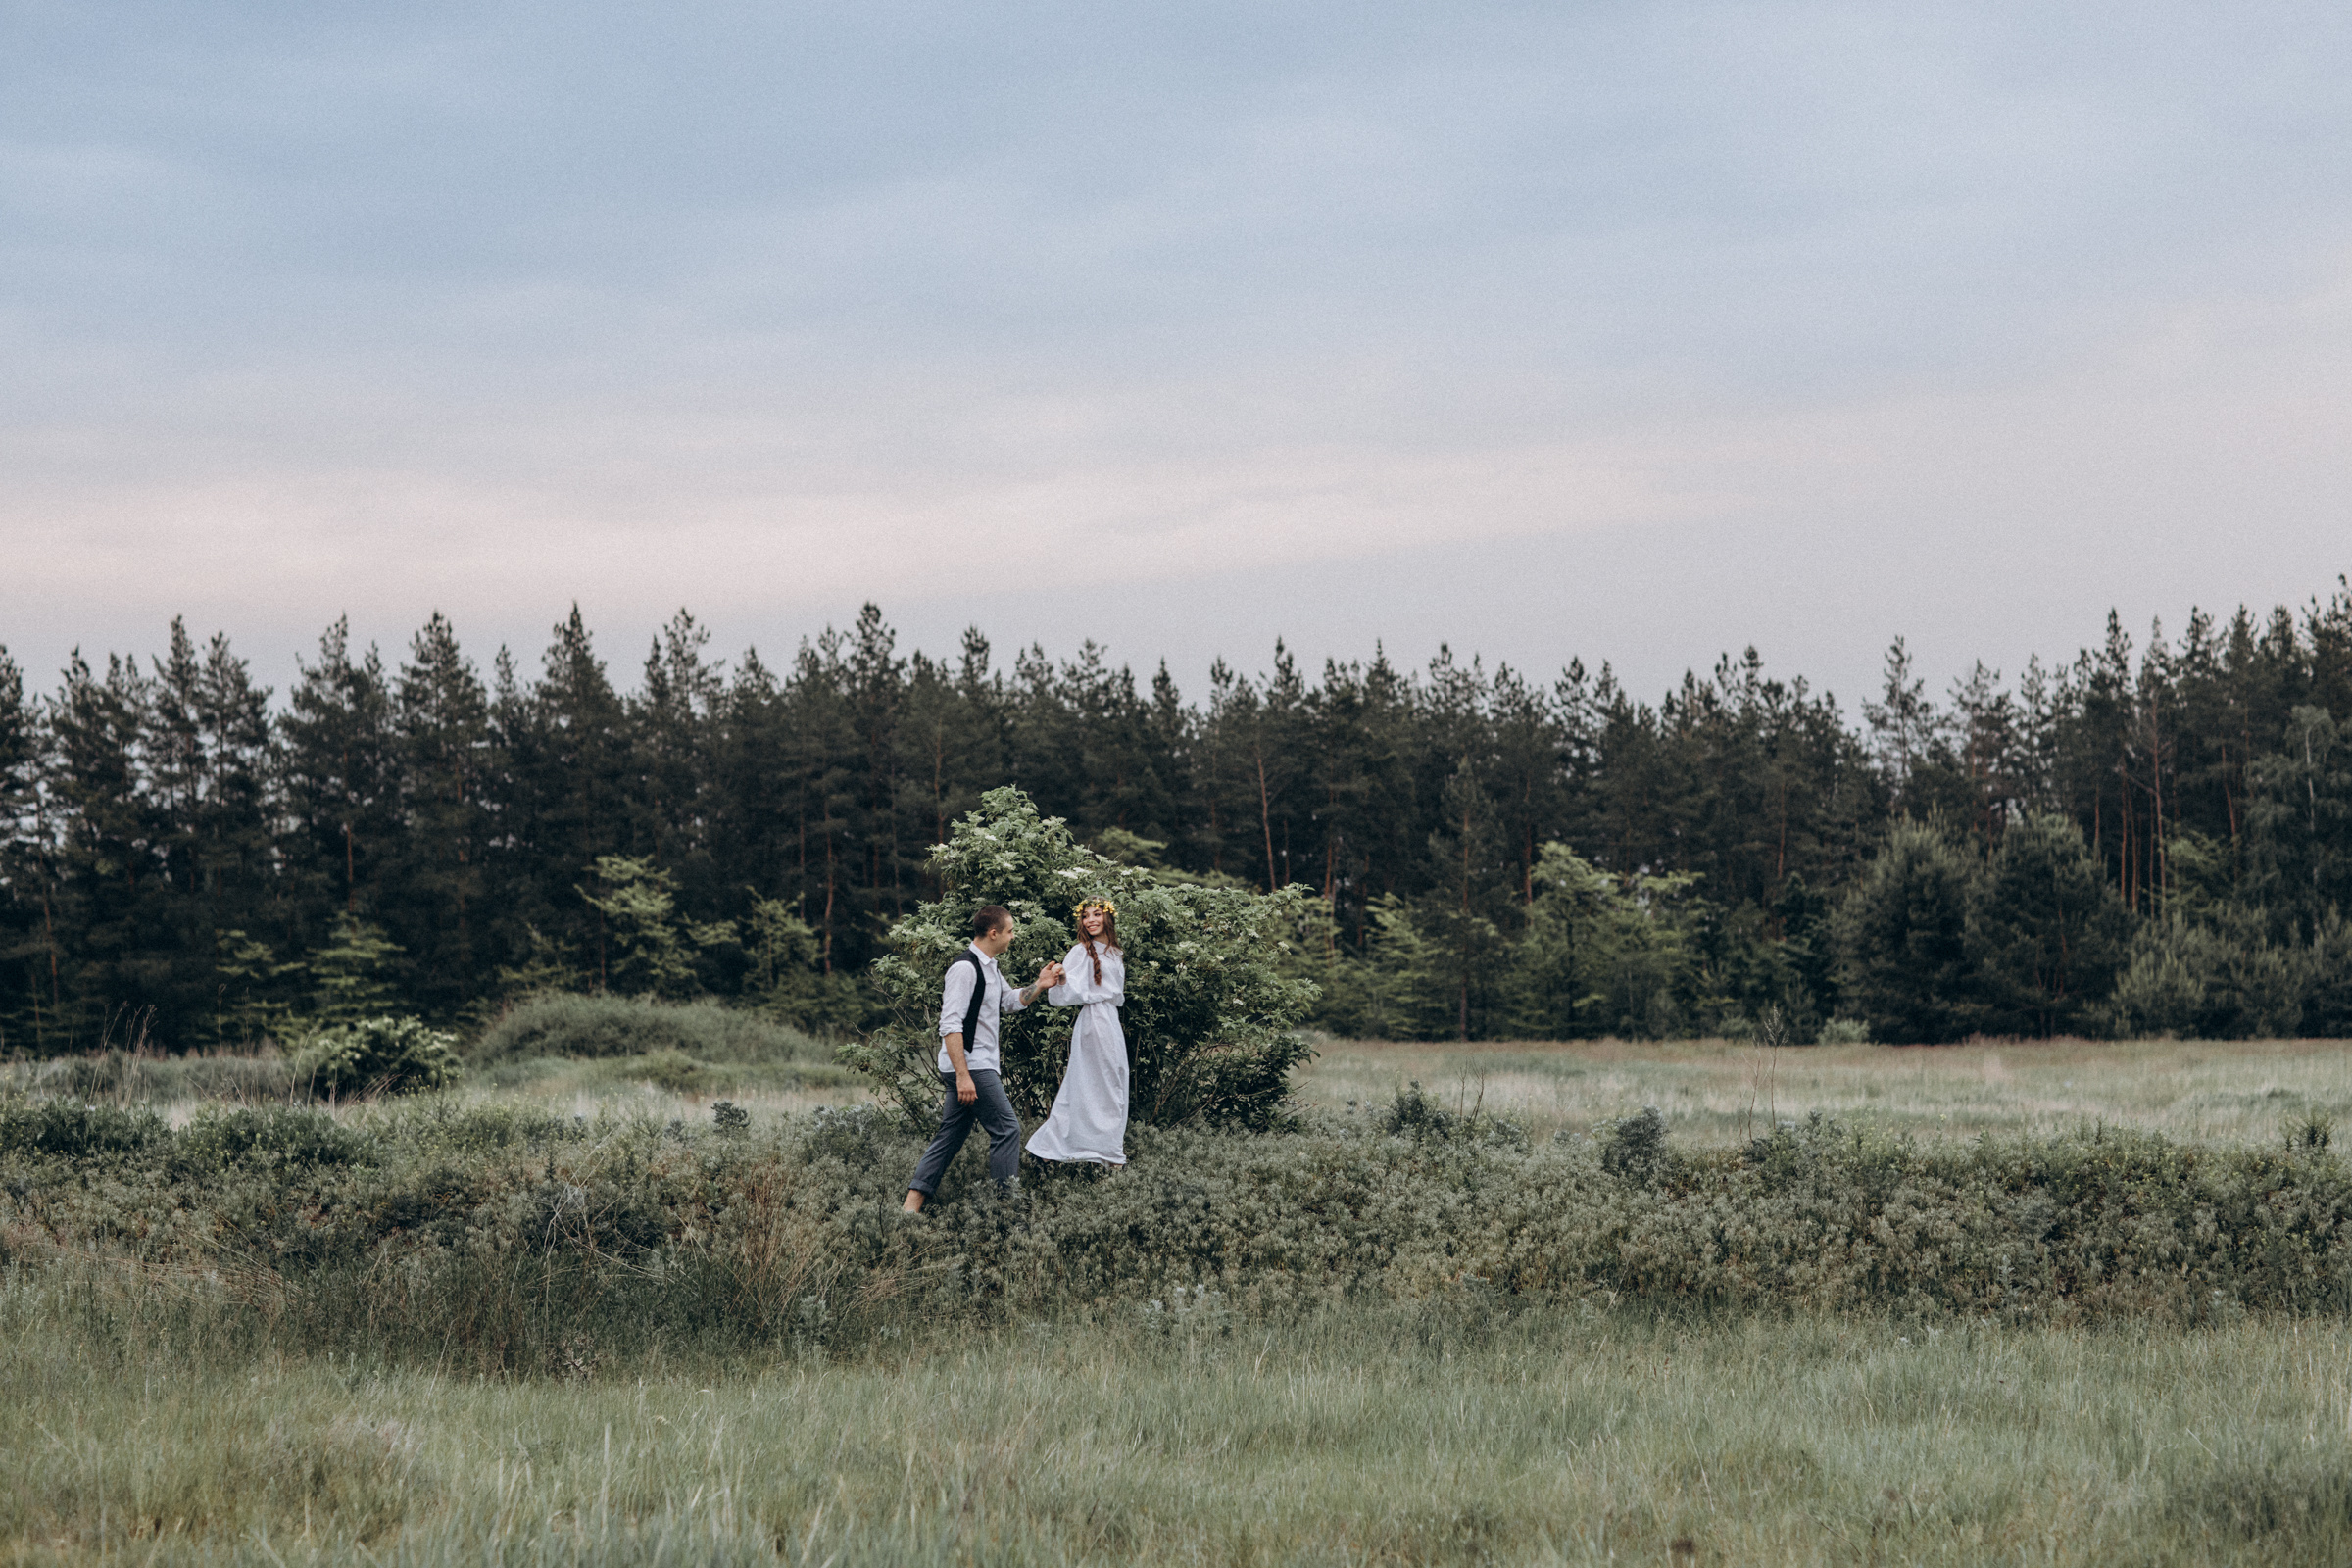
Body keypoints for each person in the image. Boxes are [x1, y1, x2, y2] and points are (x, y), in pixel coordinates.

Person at [903, 906, 1062, 1213]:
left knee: (950, 1136)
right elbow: (950, 1024)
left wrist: (1040, 985)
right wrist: (963, 1075)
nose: (1013, 936)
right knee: (1007, 1129)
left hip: (973, 1066)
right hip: (971, 1066)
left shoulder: (990, 967)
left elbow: (1009, 1002)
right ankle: (1006, 1212)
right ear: (994, 933)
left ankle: (910, 1208)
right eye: (1010, 931)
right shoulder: (965, 968)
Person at [1026, 897, 1129, 1167]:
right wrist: (1060, 977)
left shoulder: (1114, 952)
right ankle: (1066, 1147)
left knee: (1112, 1082)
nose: (1091, 920)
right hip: (1094, 1021)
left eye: (1097, 914)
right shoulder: (1080, 951)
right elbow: (1065, 991)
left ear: (1108, 917)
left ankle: (1103, 1148)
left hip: (1110, 1020)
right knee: (1097, 1084)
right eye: (1086, 916)